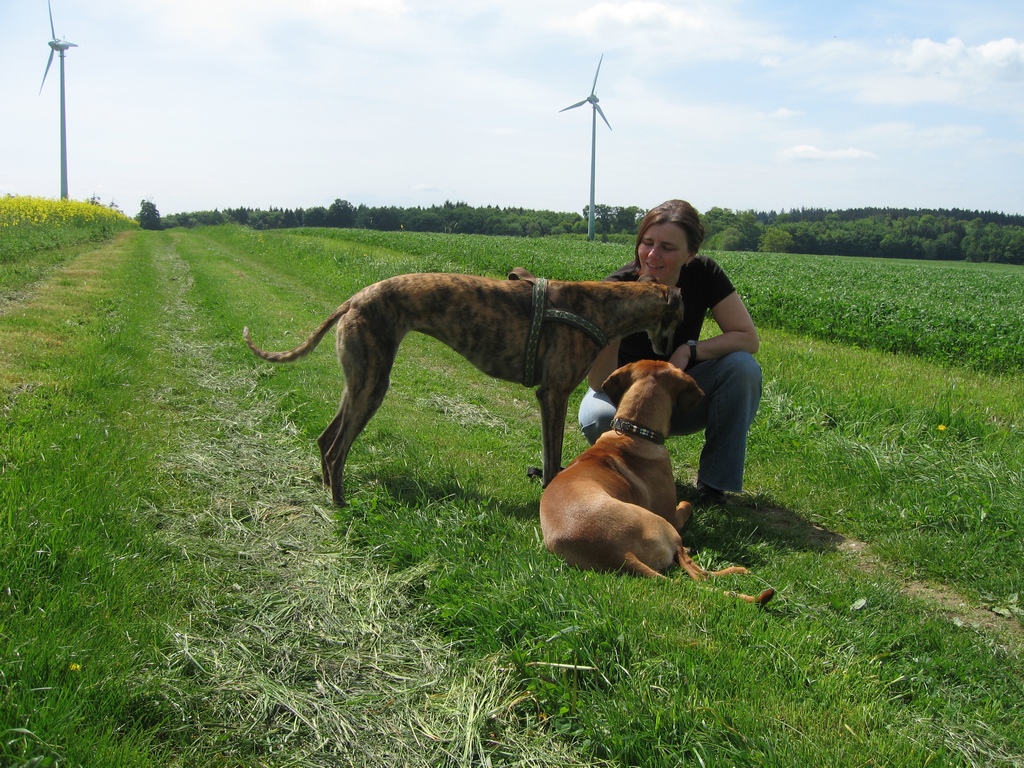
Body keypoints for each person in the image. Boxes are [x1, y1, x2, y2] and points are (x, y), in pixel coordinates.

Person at [577, 199, 761, 505]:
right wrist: (614, 327)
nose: (653, 254)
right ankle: (631, 476)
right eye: (647, 243)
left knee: (743, 368)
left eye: (667, 247)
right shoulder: (616, 288)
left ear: (690, 254)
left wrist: (689, 350)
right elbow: (597, 383)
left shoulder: (705, 273)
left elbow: (747, 338)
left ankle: (713, 485)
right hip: (625, 400)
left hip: (680, 397)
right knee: (598, 416)